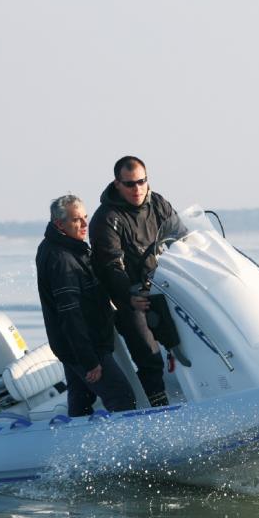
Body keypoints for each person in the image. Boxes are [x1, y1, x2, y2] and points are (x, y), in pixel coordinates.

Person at [89, 156, 182, 408]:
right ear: (117, 184)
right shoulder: (107, 218)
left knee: (181, 339)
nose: (137, 189)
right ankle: (158, 408)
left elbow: (180, 237)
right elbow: (111, 266)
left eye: (141, 181)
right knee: (149, 356)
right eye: (130, 184)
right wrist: (129, 296)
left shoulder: (158, 203)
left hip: (162, 286)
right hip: (128, 296)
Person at [36, 194, 136, 416]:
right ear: (59, 224)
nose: (84, 225)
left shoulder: (67, 248)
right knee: (122, 397)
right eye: (76, 220)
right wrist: (89, 360)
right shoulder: (62, 259)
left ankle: (72, 447)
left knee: (81, 402)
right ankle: (133, 450)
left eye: (85, 218)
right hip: (85, 347)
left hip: (73, 346)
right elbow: (70, 314)